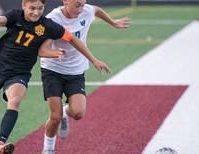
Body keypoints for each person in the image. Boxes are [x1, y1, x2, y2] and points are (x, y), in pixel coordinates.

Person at [0, 0, 110, 154]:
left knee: (14, 101)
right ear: (24, 5)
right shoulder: (15, 16)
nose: (36, 12)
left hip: (19, 73)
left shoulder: (48, 25)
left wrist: (93, 60)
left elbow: (73, 39)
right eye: (32, 8)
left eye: (40, 8)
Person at [39, 0, 131, 153]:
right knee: (55, 116)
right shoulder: (53, 19)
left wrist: (113, 23)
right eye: (77, 5)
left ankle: (65, 113)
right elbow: (43, 48)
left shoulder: (86, 10)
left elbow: (96, 10)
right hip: (52, 70)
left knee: (78, 113)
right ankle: (48, 150)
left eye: (82, 4)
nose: (81, 9)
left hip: (76, 70)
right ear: (65, 1)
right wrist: (54, 54)